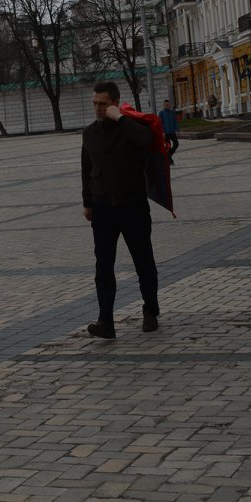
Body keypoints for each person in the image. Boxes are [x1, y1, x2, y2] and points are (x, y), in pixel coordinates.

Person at [79, 81, 160, 340]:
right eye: (95, 103)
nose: (98, 108)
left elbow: (147, 140)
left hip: (132, 204)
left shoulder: (129, 127)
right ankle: (106, 321)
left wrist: (121, 118)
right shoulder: (89, 133)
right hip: (103, 209)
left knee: (143, 261)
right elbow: (86, 170)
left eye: (103, 104)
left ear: (114, 102)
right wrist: (87, 202)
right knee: (103, 267)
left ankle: (150, 311)